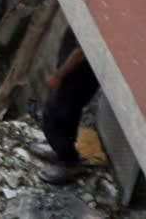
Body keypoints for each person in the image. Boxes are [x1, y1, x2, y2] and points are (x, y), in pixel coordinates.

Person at [40, 30, 101, 184]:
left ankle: (69, 163)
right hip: (74, 76)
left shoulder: (92, 22)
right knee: (64, 115)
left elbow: (81, 52)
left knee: (57, 116)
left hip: (77, 78)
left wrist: (58, 76)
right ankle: (61, 153)